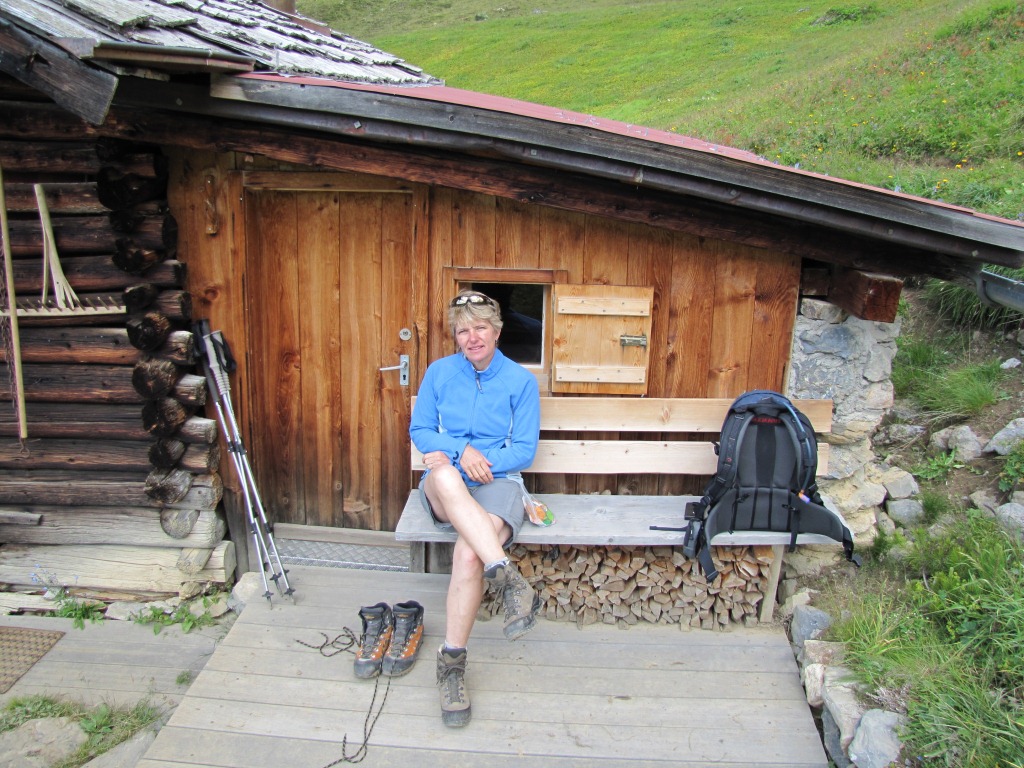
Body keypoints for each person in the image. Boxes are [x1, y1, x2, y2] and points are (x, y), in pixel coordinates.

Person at [409, 289, 542, 728]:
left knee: (469, 554)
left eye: (480, 328)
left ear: (497, 331)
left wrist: (483, 462)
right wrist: (459, 451)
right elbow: (420, 429)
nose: (472, 338)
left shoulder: (520, 382)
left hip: (498, 482)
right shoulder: (439, 373)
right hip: (447, 484)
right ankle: (508, 577)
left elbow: (523, 450)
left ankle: (451, 665)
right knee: (446, 475)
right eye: (463, 330)